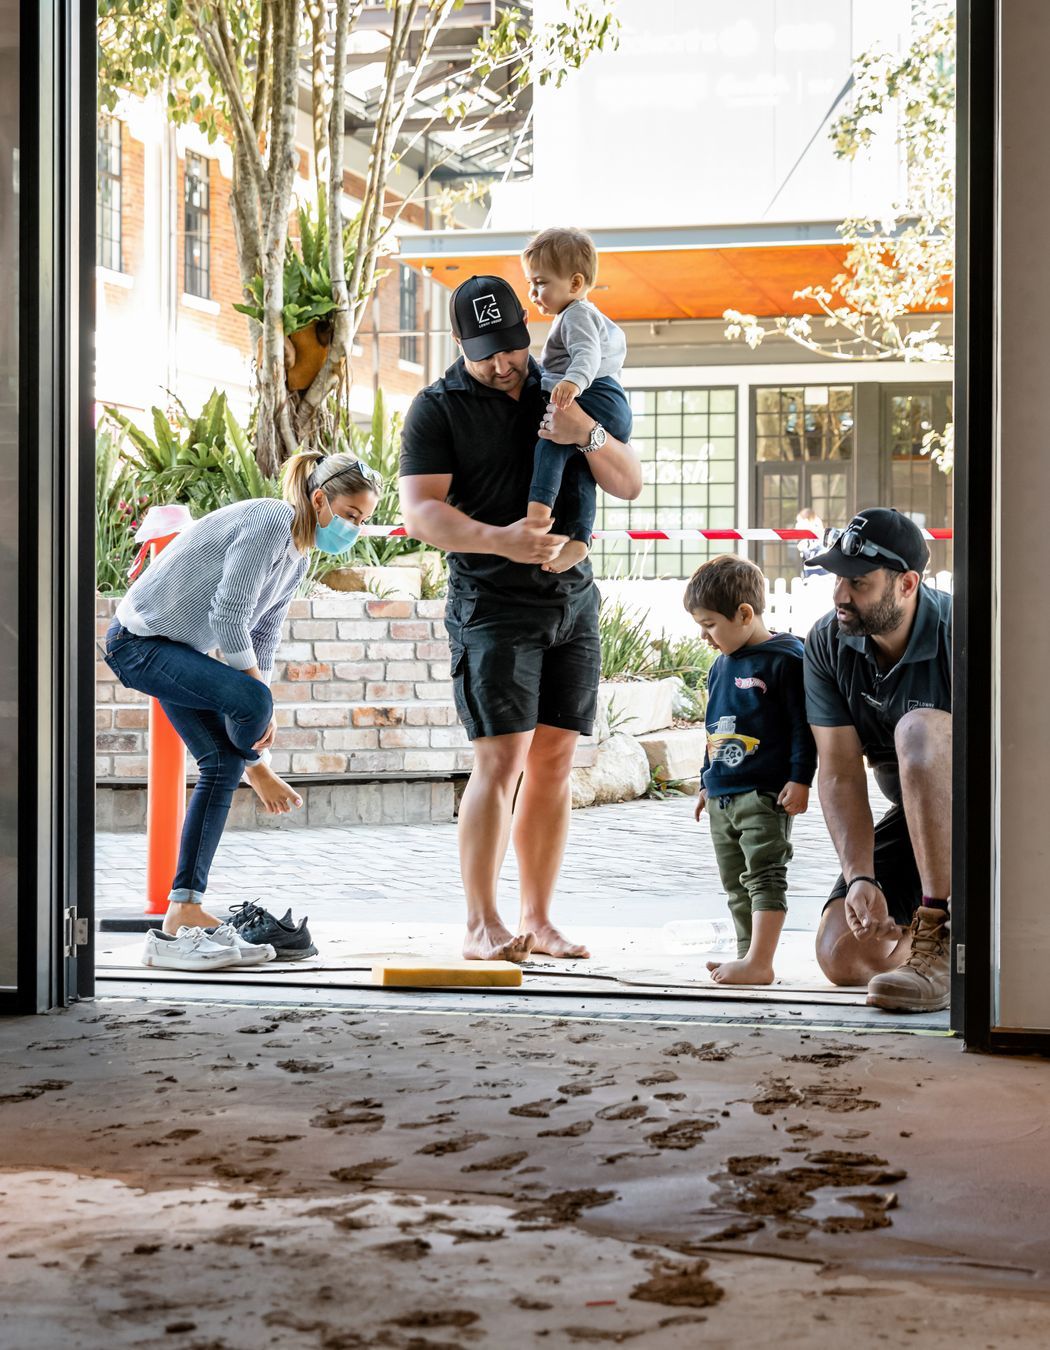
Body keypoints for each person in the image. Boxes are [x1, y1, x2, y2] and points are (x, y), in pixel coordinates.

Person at [399, 274, 643, 963]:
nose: (504, 365)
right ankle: (482, 923)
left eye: (512, 347)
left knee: (556, 761)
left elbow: (627, 483)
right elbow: (421, 514)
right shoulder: (435, 408)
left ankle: (538, 921)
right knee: (500, 760)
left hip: (572, 602)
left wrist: (586, 430)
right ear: (458, 344)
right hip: (492, 604)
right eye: (487, 354)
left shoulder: (562, 382)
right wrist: (502, 538)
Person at [103, 449, 381, 942]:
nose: (355, 529)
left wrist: (259, 701)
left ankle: (183, 907)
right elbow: (228, 615)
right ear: (320, 500)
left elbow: (265, 630)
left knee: (221, 761)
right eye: (351, 516)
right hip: (138, 644)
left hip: (175, 649)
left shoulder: (297, 556)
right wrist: (256, 716)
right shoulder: (272, 520)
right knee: (251, 709)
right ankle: (256, 769)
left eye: (363, 521)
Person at [802, 508, 952, 1012]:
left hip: (994, 818)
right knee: (843, 957)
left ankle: (938, 926)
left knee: (919, 730)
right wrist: (861, 876)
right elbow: (840, 771)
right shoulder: (827, 642)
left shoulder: (965, 634)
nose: (841, 596)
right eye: (838, 579)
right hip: (916, 821)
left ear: (907, 584)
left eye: (859, 583)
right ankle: (935, 953)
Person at [685, 555, 816, 985]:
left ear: (744, 614)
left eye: (710, 625)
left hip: (764, 792)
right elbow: (715, 726)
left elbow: (803, 727)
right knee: (734, 881)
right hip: (723, 793)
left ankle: (761, 959)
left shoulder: (787, 660)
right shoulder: (720, 665)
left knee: (763, 873)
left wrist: (800, 778)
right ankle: (747, 958)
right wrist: (707, 779)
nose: (705, 637)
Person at [520, 227, 633, 574]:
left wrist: (573, 381)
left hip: (595, 392)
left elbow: (588, 353)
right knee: (580, 469)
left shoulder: (576, 314)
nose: (533, 292)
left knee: (551, 437)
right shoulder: (574, 314)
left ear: (574, 283)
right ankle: (579, 540)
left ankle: (537, 513)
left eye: (540, 283)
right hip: (607, 398)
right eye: (530, 283)